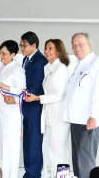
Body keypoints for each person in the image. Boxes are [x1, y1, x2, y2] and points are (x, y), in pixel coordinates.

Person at [63, 33, 99, 178]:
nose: (77, 48)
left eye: (80, 44)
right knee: (77, 164)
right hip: (76, 121)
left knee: (86, 165)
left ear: (89, 45)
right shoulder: (78, 65)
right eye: (74, 45)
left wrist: (94, 116)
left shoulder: (97, 62)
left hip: (88, 122)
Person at [25, 39, 71, 178]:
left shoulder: (61, 69)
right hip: (48, 116)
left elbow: (57, 94)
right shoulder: (48, 68)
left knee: (58, 153)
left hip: (59, 117)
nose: (47, 51)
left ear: (58, 51)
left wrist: (38, 98)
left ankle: (62, 177)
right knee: (47, 151)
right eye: (46, 48)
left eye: (51, 48)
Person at [0, 40, 26, 178]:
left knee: (8, 148)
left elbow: (22, 91)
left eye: (4, 53)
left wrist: (7, 88)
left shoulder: (18, 70)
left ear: (13, 54)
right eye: (0, 52)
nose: (1, 55)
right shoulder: (2, 68)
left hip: (10, 114)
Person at [19, 31, 48, 178]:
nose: (22, 48)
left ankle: (34, 174)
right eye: (21, 45)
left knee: (34, 143)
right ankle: (28, 172)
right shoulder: (26, 59)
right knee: (27, 143)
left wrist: (16, 94)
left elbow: (34, 86)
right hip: (26, 107)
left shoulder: (40, 61)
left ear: (34, 45)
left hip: (35, 108)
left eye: (24, 45)